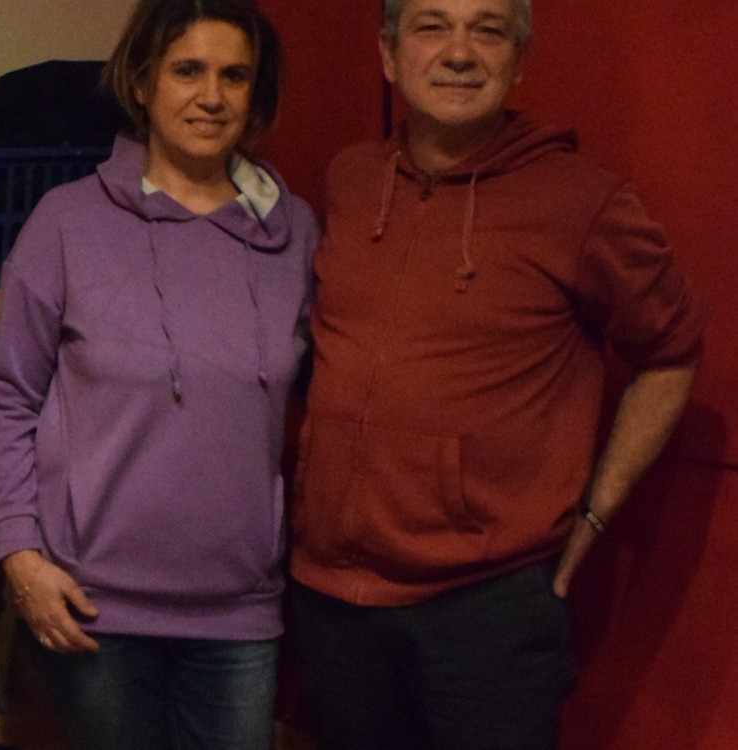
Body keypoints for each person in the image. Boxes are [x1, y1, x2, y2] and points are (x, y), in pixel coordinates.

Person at [287, 1, 707, 748]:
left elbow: (672, 351)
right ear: (388, 55)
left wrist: (594, 514)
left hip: (486, 610)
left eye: (488, 30)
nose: (459, 52)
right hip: (333, 603)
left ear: (518, 62)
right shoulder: (350, 180)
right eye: (431, 26)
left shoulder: (581, 200)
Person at [0, 1, 319, 748]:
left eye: (234, 76)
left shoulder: (294, 234)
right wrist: (19, 555)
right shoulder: (67, 223)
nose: (211, 96)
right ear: (141, 82)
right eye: (187, 71)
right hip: (95, 610)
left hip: (239, 613)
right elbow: (5, 397)